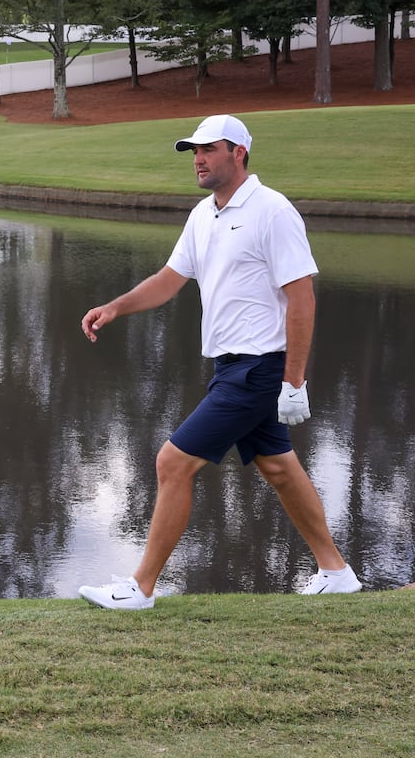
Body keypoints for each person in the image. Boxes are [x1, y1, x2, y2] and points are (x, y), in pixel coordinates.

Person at [77, 113, 361, 609]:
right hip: (229, 367)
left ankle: (140, 588)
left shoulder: (272, 211)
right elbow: (170, 278)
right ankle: (335, 571)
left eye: (209, 149)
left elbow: (302, 297)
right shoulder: (202, 215)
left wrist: (294, 380)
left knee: (172, 462)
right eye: (194, 151)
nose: (199, 159)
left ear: (239, 154)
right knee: (278, 467)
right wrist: (117, 306)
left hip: (259, 369)